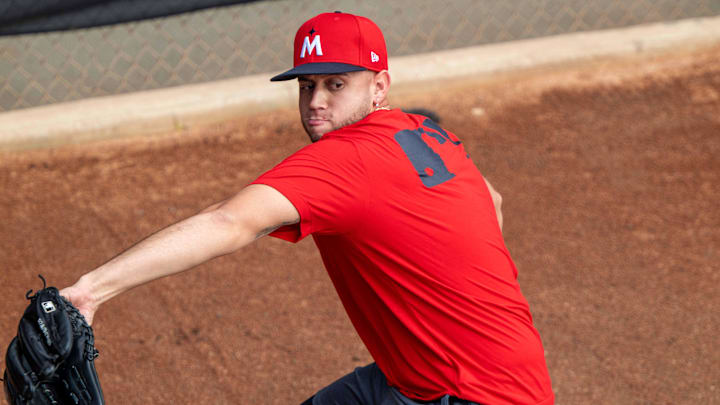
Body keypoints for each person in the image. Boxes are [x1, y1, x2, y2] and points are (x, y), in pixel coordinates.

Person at [60, 11, 554, 405]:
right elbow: (491, 198)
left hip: (469, 394)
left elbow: (229, 223)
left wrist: (89, 292)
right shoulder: (425, 131)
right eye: (306, 86)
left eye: (336, 85)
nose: (316, 102)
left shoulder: (345, 159)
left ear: (378, 87)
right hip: (451, 374)